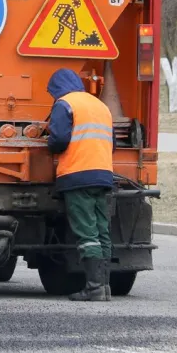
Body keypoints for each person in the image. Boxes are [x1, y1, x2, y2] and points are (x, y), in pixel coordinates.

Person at [46, 68, 114, 302]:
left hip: (78, 175)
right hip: (103, 174)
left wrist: (48, 143)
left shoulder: (65, 104)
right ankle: (104, 288)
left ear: (57, 88)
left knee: (87, 233)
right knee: (102, 231)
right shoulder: (100, 106)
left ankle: (93, 288)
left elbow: (59, 140)